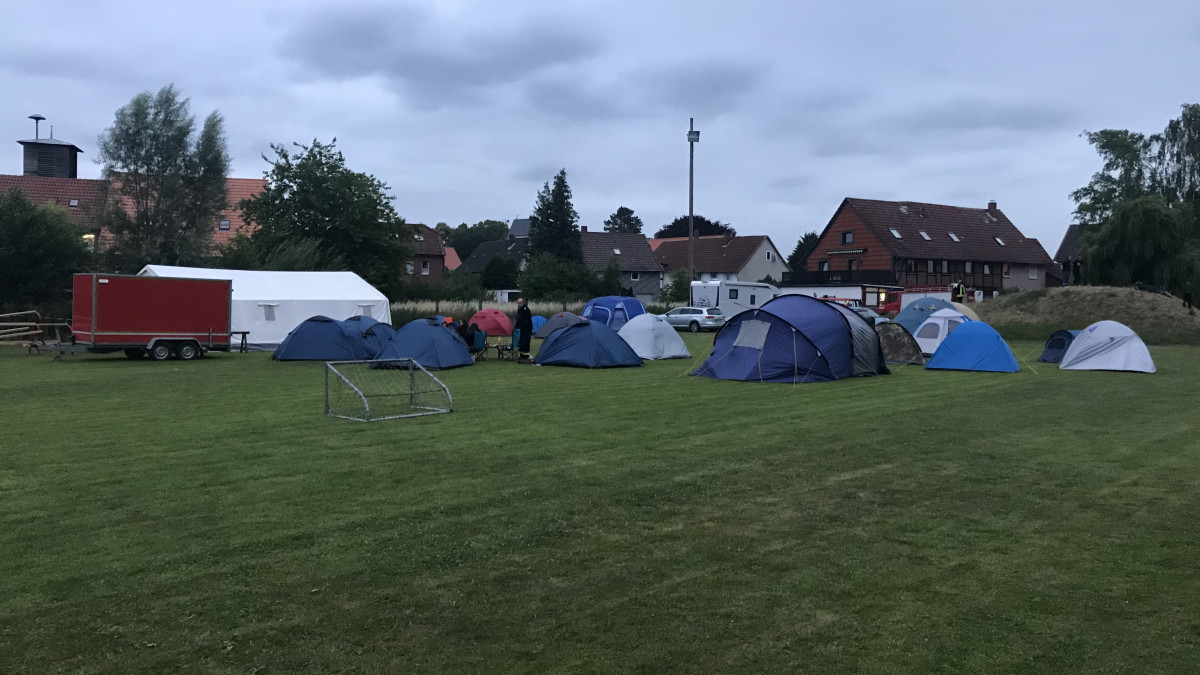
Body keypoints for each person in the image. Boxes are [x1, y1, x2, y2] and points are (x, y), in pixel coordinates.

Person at [514, 297, 533, 362]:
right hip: (520, 330)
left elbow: (526, 321)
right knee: (521, 343)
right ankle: (521, 356)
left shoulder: (526, 310)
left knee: (525, 343)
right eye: (518, 303)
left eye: (520, 303)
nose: (518, 304)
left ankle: (526, 356)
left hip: (526, 329)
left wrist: (521, 327)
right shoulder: (519, 310)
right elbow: (518, 320)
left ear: (523, 303)